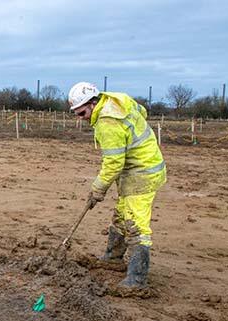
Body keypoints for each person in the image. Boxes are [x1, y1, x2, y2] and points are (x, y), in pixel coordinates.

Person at [68, 82, 167, 289]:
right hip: (138, 168)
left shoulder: (107, 122)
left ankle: (137, 280)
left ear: (93, 103)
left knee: (136, 225)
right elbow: (143, 111)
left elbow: (113, 163)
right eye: (77, 114)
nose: (81, 118)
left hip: (142, 173)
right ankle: (113, 258)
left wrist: (98, 189)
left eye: (82, 113)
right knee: (121, 215)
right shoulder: (117, 100)